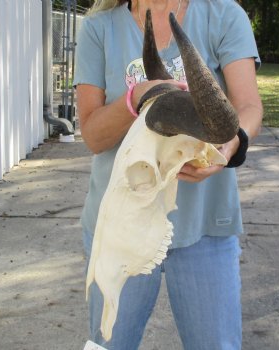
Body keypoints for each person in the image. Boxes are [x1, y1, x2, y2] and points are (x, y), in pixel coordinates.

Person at [73, 0, 263, 349]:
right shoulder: (98, 28)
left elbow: (248, 106)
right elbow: (94, 136)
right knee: (109, 344)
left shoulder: (224, 16)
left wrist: (229, 146)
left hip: (205, 225)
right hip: (120, 227)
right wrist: (138, 98)